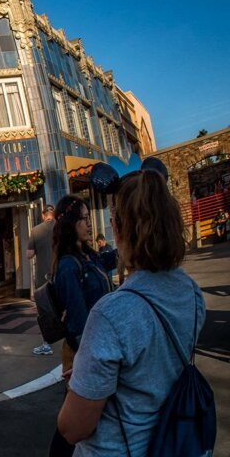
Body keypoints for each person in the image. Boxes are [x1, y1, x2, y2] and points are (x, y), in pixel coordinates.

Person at [57, 170, 205, 455]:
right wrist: (98, 370)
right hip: (175, 438)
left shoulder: (111, 314)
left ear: (117, 228)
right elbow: (156, 361)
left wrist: (88, 379)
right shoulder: (191, 291)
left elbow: (73, 428)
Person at [52, 195, 117, 376]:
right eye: (84, 218)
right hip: (89, 354)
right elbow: (77, 322)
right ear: (70, 223)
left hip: (103, 345)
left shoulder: (90, 256)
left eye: (89, 218)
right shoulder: (68, 266)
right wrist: (91, 358)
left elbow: (110, 261)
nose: (89, 223)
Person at [28, 204, 56, 356]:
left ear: (44, 215)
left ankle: (47, 344)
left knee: (44, 311)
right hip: (60, 273)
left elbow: (29, 254)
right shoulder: (60, 227)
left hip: (43, 278)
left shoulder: (36, 230)